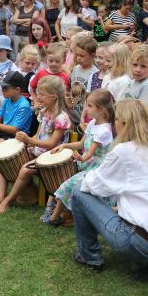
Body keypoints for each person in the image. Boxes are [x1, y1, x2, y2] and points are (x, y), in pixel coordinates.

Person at [69, 99, 148, 281]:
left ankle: (89, 256)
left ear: (124, 124)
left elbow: (91, 185)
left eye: (117, 120)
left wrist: (91, 175)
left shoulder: (124, 151)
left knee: (78, 192)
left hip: (142, 243)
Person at [0, 75, 70, 214]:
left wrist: (29, 141)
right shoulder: (44, 112)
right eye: (38, 93)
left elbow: (51, 144)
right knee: (5, 159)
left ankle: (7, 201)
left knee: (25, 169)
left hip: (51, 157)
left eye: (42, 94)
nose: (38, 97)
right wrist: (29, 143)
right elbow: (39, 134)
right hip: (38, 151)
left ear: (54, 96)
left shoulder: (61, 118)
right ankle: (0, 196)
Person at [44, 89, 114, 225]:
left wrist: (80, 158)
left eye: (90, 106)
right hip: (87, 164)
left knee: (68, 184)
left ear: (102, 110)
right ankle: (53, 209)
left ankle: (54, 218)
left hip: (97, 169)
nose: (86, 109)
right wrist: (65, 146)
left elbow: (88, 154)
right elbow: (82, 143)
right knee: (61, 173)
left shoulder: (105, 130)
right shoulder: (93, 123)